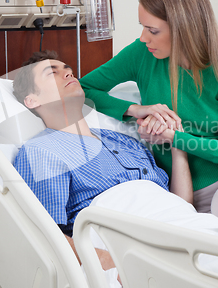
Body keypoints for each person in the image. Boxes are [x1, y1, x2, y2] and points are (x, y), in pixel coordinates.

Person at [79, 0, 218, 229]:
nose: (144, 38)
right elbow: (83, 88)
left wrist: (175, 137)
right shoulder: (141, 55)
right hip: (199, 195)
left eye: (153, 30)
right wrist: (135, 109)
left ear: (183, 30)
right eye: (143, 27)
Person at [12, 49, 193, 269]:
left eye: (68, 70)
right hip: (131, 250)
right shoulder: (41, 151)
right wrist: (111, 262)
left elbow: (180, 207)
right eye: (53, 73)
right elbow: (45, 234)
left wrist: (178, 146)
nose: (69, 74)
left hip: (188, 231)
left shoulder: (124, 141)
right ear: (32, 100)